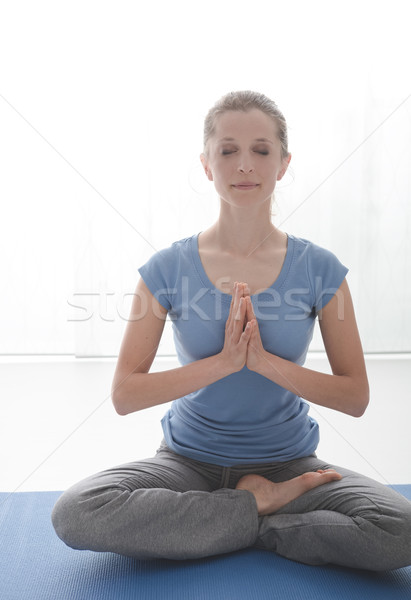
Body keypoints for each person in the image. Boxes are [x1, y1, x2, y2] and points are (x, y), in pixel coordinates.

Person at [52, 90, 411, 570]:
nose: (245, 164)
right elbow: (125, 395)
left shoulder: (321, 269)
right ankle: (256, 510)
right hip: (186, 464)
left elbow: (355, 397)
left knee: (400, 532)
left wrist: (263, 363)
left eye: (261, 150)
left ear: (283, 164)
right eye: (228, 151)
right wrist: (224, 364)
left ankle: (244, 520)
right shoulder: (165, 268)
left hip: (290, 467)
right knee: (78, 511)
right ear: (206, 165)